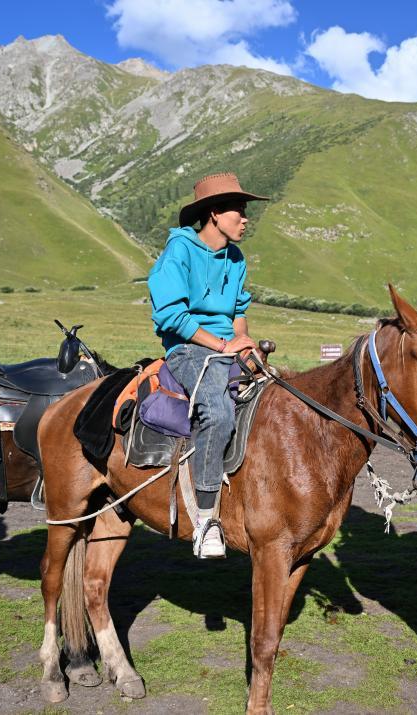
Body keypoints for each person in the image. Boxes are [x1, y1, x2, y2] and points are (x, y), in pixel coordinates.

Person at [147, 172, 268, 558]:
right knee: (217, 412)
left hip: (226, 348)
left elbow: (238, 312)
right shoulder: (179, 251)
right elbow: (171, 316)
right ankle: (205, 520)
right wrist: (223, 345)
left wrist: (244, 346)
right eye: (239, 211)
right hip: (188, 349)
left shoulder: (236, 259)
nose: (245, 219)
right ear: (214, 213)